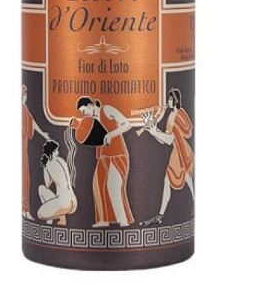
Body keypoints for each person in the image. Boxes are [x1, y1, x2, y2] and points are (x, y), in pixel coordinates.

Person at [70, 97, 134, 227]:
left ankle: (123, 221)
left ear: (90, 105)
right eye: (83, 113)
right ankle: (103, 220)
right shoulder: (92, 120)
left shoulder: (106, 110)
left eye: (85, 111)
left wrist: (110, 134)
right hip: (103, 156)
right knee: (98, 186)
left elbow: (127, 124)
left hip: (117, 154)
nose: (85, 114)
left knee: (113, 186)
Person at [140, 88, 194, 225]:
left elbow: (171, 139)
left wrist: (154, 132)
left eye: (170, 99)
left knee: (187, 178)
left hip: (181, 151)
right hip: (177, 151)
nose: (168, 101)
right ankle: (160, 215)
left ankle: (191, 207)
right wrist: (154, 129)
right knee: (172, 180)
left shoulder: (179, 114)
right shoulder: (171, 115)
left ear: (175, 100)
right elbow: (165, 139)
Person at [22, 85, 50, 219]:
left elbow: (32, 122)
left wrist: (43, 134)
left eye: (24, 94)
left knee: (26, 177)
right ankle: (25, 209)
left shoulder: (25, 109)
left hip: (25, 146)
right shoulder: (22, 108)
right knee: (24, 176)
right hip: (23, 146)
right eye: (22, 94)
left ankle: (26, 210)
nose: (23, 97)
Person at [37, 140, 78, 226]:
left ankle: (54, 217)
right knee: (41, 189)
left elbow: (47, 184)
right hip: (72, 201)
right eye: (56, 151)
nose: (58, 152)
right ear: (51, 152)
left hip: (64, 203)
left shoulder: (49, 164)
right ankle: (61, 218)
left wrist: (45, 167)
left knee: (40, 214)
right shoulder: (61, 160)